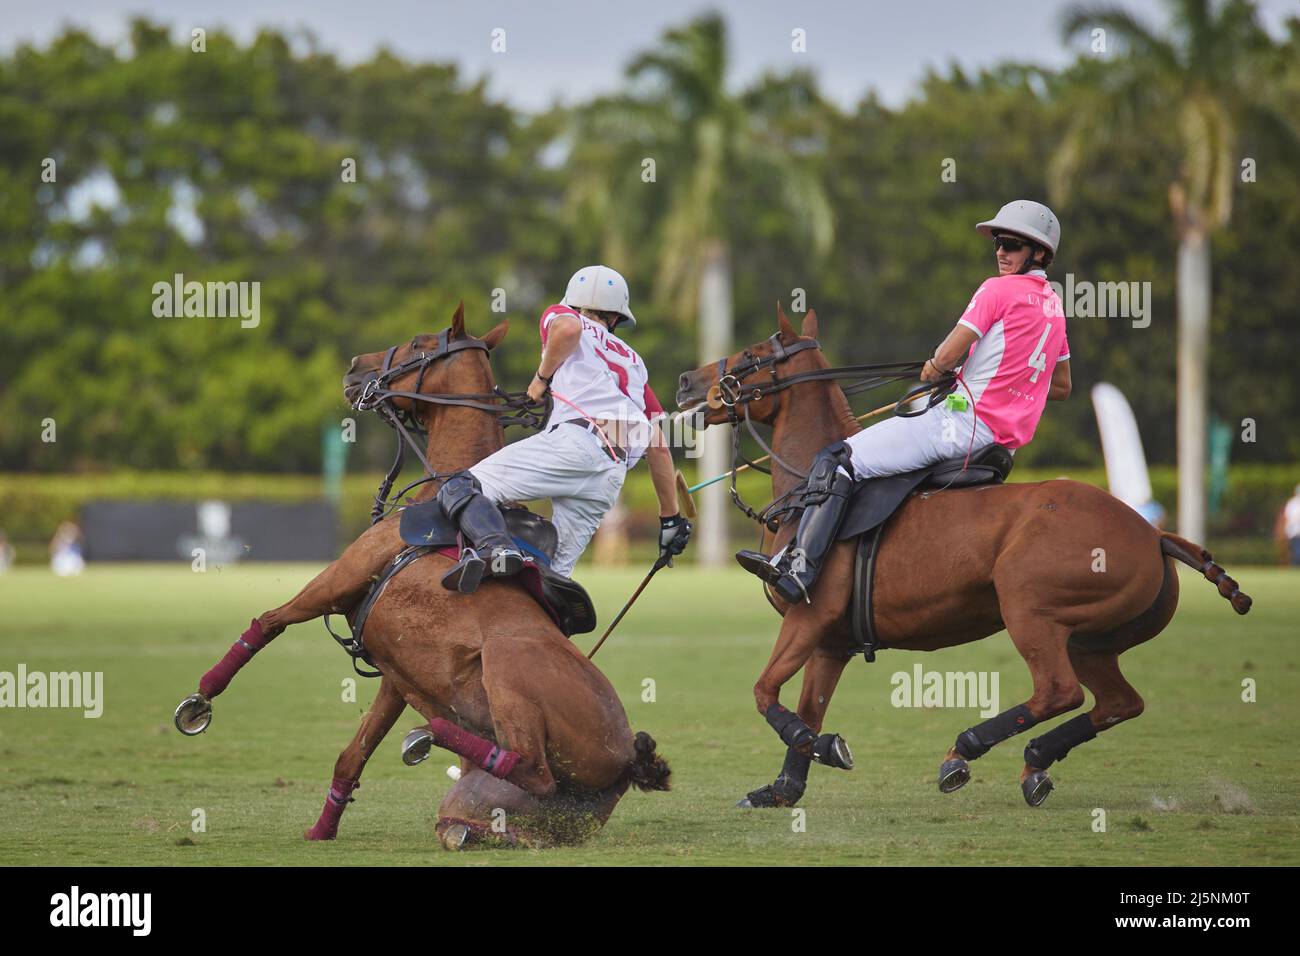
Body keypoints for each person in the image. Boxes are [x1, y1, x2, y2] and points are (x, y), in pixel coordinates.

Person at [738, 200, 1072, 603]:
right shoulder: (1055, 307)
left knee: (836, 459)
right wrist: (1006, 380)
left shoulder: (996, 290)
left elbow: (947, 356)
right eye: (998, 243)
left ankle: (797, 568)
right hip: (1002, 445)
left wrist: (935, 368)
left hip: (959, 428)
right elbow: (1061, 385)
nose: (1001, 251)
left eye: (1012, 244)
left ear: (1039, 252)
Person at [437, 265, 692, 592]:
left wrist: (541, 378)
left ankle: (496, 549)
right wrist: (670, 519)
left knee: (460, 487)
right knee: (551, 580)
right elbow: (656, 443)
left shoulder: (563, 315)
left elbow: (569, 330)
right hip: (610, 476)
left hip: (576, 444)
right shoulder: (634, 361)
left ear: (574, 303)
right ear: (616, 318)